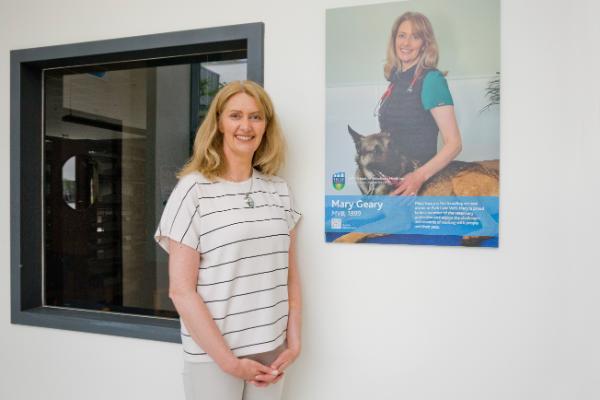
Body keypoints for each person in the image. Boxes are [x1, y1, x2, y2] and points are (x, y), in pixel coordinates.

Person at [154, 80, 301, 400]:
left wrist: (294, 342)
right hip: (214, 357)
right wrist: (230, 363)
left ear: (266, 126)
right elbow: (181, 291)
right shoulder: (193, 190)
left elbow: (289, 277)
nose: (246, 126)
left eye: (256, 117)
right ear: (219, 123)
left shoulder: (279, 190)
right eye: (235, 115)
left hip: (271, 351)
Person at [376, 11, 462, 195]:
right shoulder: (396, 80)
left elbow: (454, 144)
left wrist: (418, 177)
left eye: (415, 37)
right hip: (394, 182)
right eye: (402, 36)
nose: (406, 43)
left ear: (425, 44)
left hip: (420, 184)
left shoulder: (432, 80)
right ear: (394, 40)